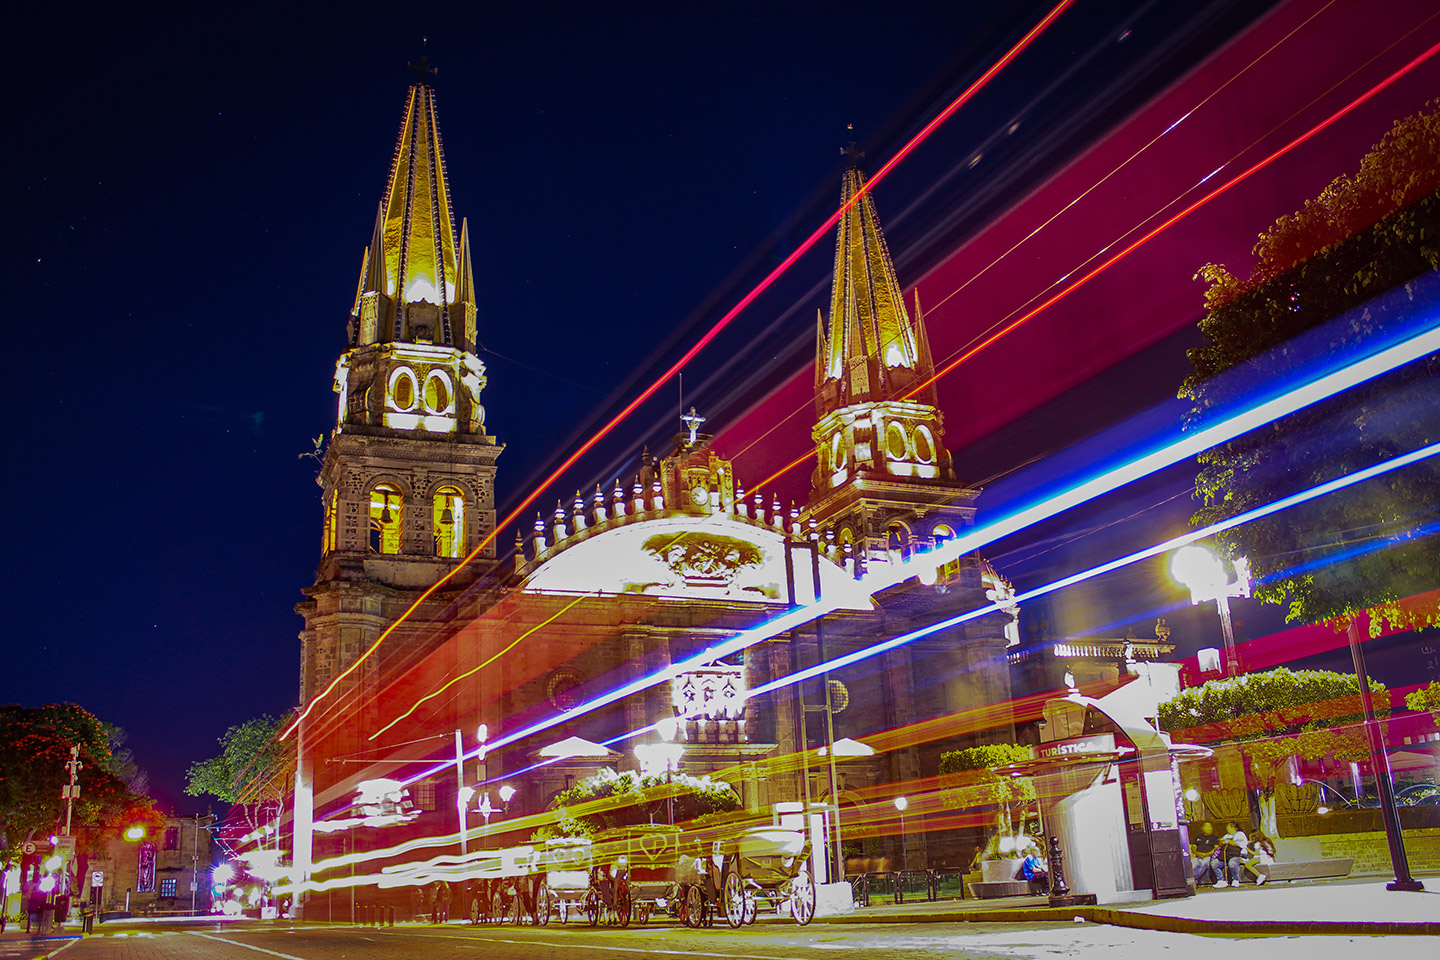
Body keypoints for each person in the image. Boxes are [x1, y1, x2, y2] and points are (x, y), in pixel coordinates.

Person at [1189, 821, 1224, 886]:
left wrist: (1206, 854)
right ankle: (1191, 879)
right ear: (1202, 828)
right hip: (1198, 856)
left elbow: (1216, 849)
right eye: (1206, 826)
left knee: (1204, 863)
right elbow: (1193, 847)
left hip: (1208, 857)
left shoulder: (1215, 837)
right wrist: (1197, 853)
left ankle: (1194, 879)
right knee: (1194, 864)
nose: (1208, 828)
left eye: (1210, 827)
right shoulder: (1198, 837)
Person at [1217, 821, 1249, 887]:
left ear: (1234, 828)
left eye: (1229, 827)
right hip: (1226, 855)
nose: (1227, 829)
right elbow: (1221, 843)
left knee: (1232, 863)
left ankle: (1235, 879)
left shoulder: (1240, 834)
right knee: (1215, 864)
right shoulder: (1227, 835)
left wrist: (1227, 841)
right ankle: (1221, 880)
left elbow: (1237, 844)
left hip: (1238, 855)